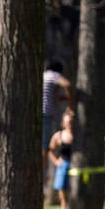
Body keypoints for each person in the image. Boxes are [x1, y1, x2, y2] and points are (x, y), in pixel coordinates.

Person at [42, 59, 75, 197]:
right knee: (45, 145)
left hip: (42, 113)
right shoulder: (52, 75)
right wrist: (71, 98)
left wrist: (61, 98)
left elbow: (50, 97)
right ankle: (42, 173)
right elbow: (67, 84)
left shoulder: (44, 78)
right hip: (46, 115)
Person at [49, 110, 75, 209]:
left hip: (75, 167)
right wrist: (56, 161)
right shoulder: (58, 135)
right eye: (67, 122)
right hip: (63, 166)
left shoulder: (78, 135)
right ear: (63, 123)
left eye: (71, 122)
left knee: (73, 193)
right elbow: (50, 150)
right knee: (63, 195)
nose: (69, 124)